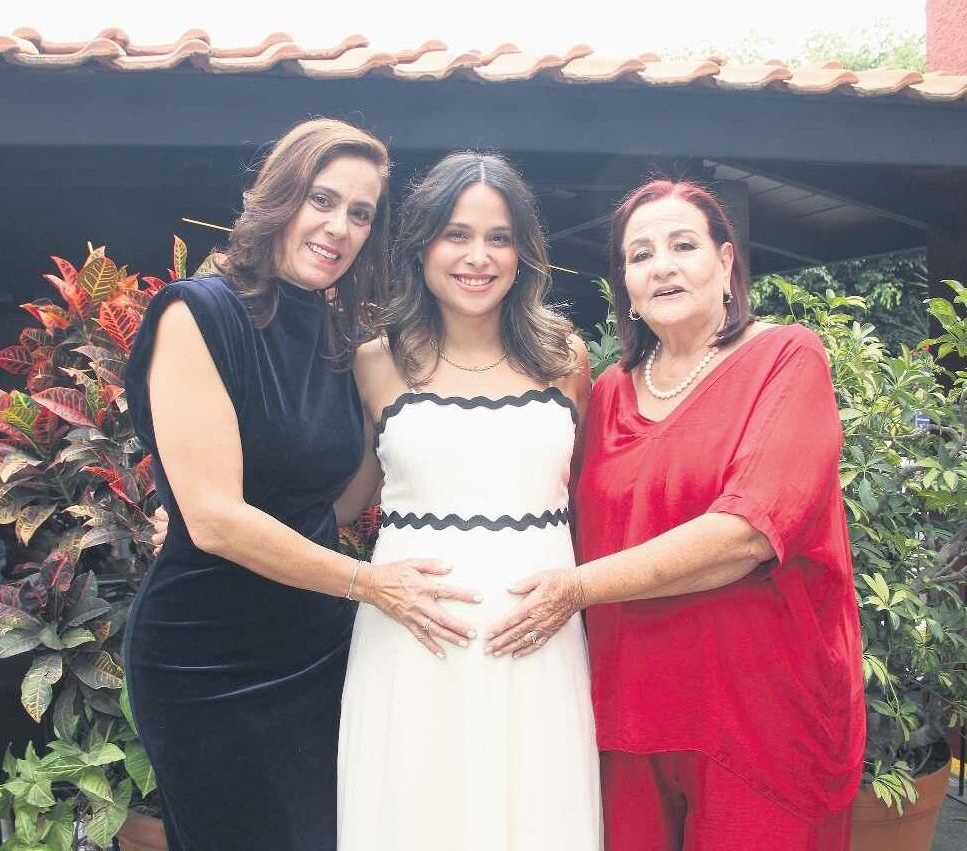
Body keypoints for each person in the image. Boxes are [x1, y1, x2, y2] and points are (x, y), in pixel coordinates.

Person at [123, 119, 481, 851]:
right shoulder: (199, 313)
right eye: (322, 199)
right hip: (206, 658)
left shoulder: (336, 336)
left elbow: (334, 501)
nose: (338, 227)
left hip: (317, 647)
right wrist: (370, 582)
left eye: (360, 213)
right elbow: (215, 519)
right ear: (278, 197)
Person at [486, 179, 865, 849]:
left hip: (759, 716)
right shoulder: (607, 392)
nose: (661, 266)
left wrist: (575, 588)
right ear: (625, 287)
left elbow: (745, 533)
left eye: (682, 245)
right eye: (640, 255)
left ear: (725, 261)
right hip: (628, 715)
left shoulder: (785, 357)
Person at [336, 152, 601, 850]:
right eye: (456, 234)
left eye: (498, 237)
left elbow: (592, 496)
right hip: (411, 641)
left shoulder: (565, 359)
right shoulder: (374, 360)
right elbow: (343, 497)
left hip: (539, 642)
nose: (477, 256)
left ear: (522, 253)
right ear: (422, 244)